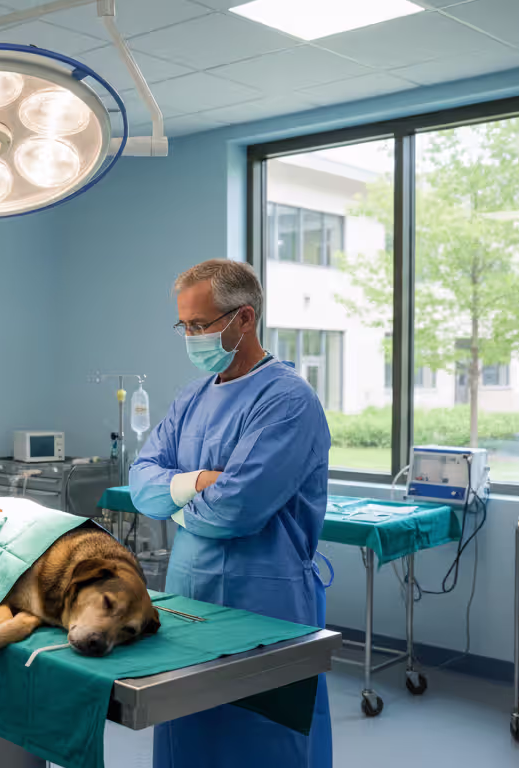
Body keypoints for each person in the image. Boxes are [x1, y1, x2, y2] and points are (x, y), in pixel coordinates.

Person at [129, 260, 333, 768]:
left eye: (202, 325)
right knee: (187, 730)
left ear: (244, 318)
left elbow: (236, 509)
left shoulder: (288, 400)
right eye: (186, 327)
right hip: (186, 597)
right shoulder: (190, 398)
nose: (192, 337)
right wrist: (198, 482)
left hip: (263, 601)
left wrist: (175, 505)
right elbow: (141, 482)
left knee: (261, 737)